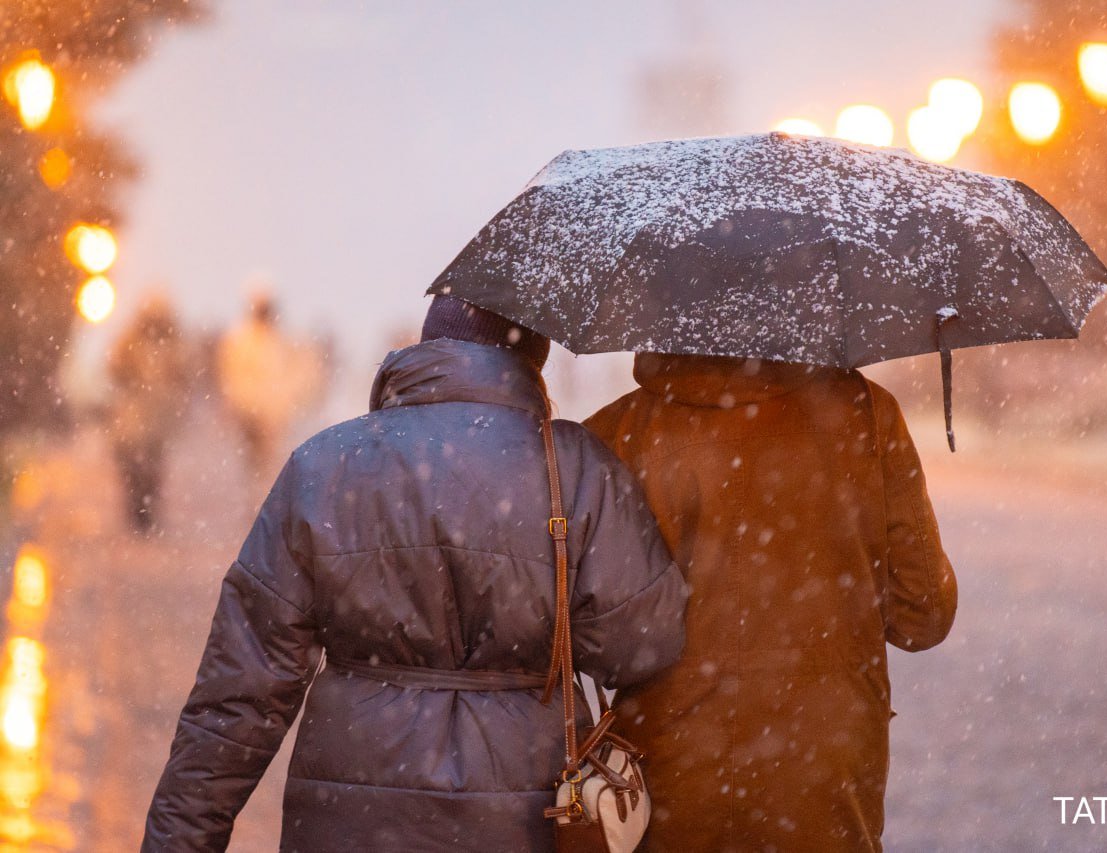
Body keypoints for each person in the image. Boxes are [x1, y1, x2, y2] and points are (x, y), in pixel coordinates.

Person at [144, 296, 688, 851]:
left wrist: (180, 838)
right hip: (522, 814)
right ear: (533, 359)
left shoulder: (325, 464)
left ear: (427, 346)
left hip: (348, 816)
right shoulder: (576, 467)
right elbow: (638, 644)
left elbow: (241, 693)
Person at [585, 353, 958, 852]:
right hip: (823, 765)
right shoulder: (865, 412)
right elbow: (924, 616)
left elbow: (590, 635)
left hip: (667, 766)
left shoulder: (616, 431)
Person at [106, 295, 189, 534]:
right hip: (133, 413)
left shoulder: (173, 344)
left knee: (151, 466)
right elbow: (114, 366)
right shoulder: (130, 340)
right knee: (132, 464)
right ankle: (136, 509)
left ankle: (146, 511)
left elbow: (183, 373)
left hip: (157, 416)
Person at [216, 290, 323, 474]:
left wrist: (291, 401)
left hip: (277, 421)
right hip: (250, 420)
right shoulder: (240, 342)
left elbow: (304, 373)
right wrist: (246, 406)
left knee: (275, 470)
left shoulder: (285, 340)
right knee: (254, 470)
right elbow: (232, 380)